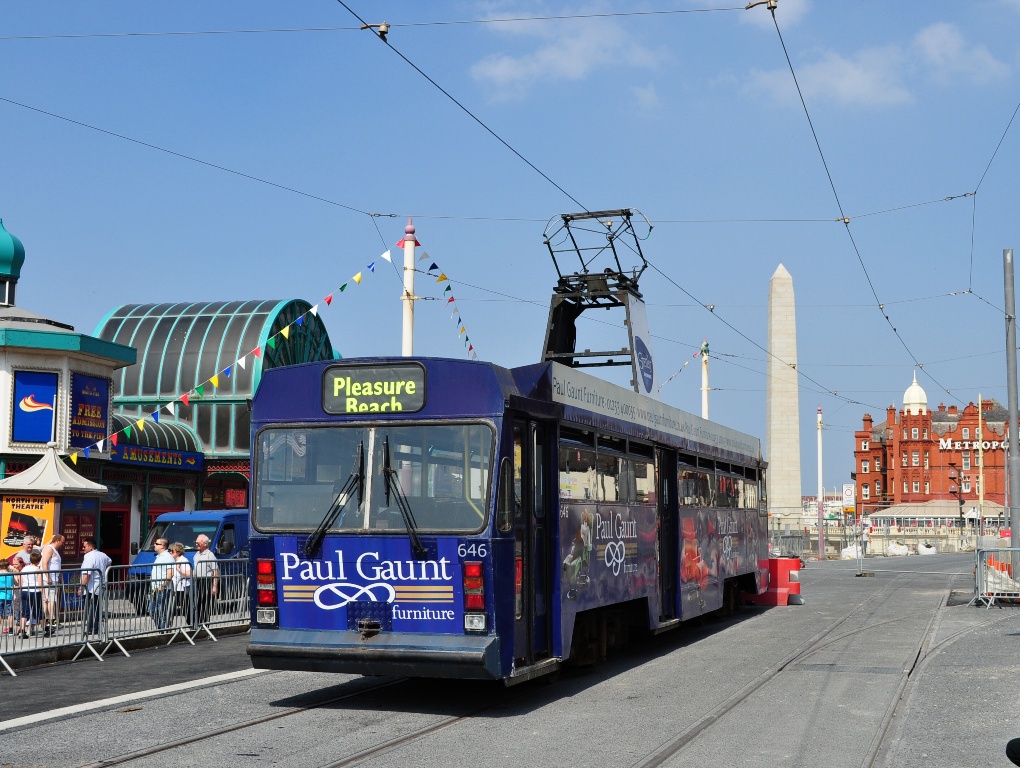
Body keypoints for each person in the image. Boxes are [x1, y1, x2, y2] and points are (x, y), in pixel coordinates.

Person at [78, 538, 111, 636]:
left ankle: (91, 628)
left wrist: (81, 587)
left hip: (91, 587)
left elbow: (86, 574)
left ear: (90, 547)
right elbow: (109, 562)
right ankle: (95, 627)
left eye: (84, 546)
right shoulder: (102, 555)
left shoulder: (89, 557)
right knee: (96, 607)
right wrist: (104, 573)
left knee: (91, 608)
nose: (83, 549)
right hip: (100, 585)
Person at [39, 534, 65, 637]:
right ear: (57, 540)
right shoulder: (49, 549)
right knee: (50, 602)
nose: (63, 544)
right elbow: (45, 563)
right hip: (48, 580)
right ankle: (51, 623)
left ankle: (49, 624)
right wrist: (48, 576)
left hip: (53, 580)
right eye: (63, 542)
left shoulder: (54, 550)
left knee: (50, 602)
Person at [192, 534, 220, 626]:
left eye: (198, 543)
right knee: (197, 603)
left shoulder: (210, 555)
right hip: (197, 581)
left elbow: (215, 572)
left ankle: (205, 624)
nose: (196, 544)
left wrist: (214, 586)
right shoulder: (196, 554)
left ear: (205, 544)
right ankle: (197, 623)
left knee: (205, 603)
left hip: (206, 581)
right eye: (196, 543)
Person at [149, 538, 175, 630]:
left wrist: (163, 585)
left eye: (156, 543)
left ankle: (163, 630)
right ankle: (161, 628)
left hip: (163, 589)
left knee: (161, 610)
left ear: (163, 546)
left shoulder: (167, 557)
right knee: (151, 610)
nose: (154, 545)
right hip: (155, 588)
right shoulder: (159, 556)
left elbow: (170, 573)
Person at [17, 550, 43, 639]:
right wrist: (44, 595)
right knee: (38, 610)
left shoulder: (24, 568)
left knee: (25, 612)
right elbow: (40, 584)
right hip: (35, 591)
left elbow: (21, 580)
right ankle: (45, 628)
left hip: (25, 591)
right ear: (39, 561)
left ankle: (22, 630)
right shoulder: (37, 569)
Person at [168, 543, 192, 627]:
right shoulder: (173, 561)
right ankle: (168, 626)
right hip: (175, 588)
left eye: (172, 551)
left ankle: (192, 624)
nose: (170, 552)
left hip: (183, 588)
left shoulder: (184, 560)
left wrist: (179, 569)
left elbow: (189, 574)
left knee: (186, 608)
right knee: (171, 608)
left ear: (178, 552)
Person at [0, 560, 13, 634]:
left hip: (0, 595)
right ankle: (10, 629)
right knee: (10, 613)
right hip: (8, 595)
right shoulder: (10, 574)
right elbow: (16, 583)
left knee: (0, 613)